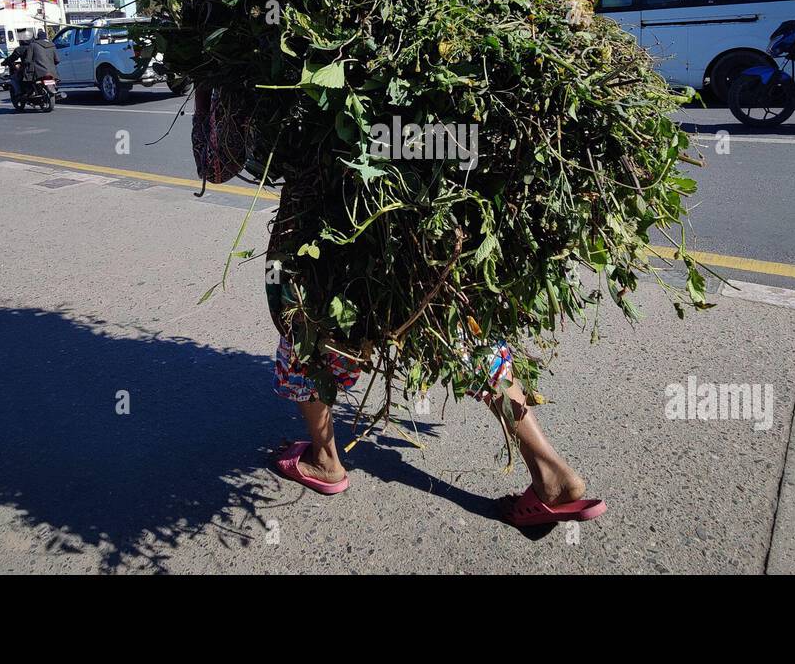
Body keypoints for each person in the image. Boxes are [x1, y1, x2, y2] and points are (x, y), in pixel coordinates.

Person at [190, 86, 607, 527]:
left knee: (308, 335)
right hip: (424, 206)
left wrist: (204, 88)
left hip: (330, 216)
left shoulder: (263, 52)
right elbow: (459, 137)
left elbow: (217, 164)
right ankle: (552, 473)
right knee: (465, 339)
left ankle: (326, 460)